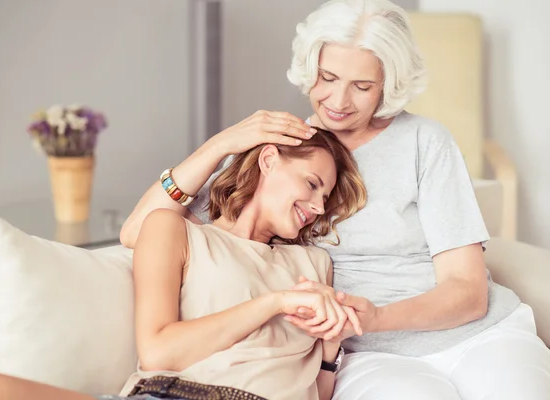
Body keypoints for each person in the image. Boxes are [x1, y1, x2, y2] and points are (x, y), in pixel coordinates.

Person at [119, 1, 550, 399]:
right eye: (327, 79)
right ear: (311, 69)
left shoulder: (424, 141)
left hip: (480, 335)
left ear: (388, 86)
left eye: (362, 86)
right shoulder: (285, 151)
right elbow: (141, 231)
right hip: (367, 356)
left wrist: (377, 316)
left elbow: (468, 293)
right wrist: (220, 144)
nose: (339, 102)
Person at [0, 129, 368, 400]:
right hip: (166, 393)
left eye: (325, 199)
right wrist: (274, 303)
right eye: (312, 184)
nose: (317, 206)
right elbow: (158, 352)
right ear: (268, 159)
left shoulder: (313, 264)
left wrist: (331, 351)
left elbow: (314, 389)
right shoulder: (179, 232)